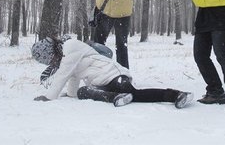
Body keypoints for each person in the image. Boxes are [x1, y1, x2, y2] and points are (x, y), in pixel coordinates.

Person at [31, 35, 193, 109]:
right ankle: (116, 98)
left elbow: (63, 74)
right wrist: (71, 94)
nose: (51, 63)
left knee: (133, 93)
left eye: (49, 59)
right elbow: (72, 77)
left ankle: (176, 95)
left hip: (114, 75)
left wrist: (49, 97)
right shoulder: (67, 58)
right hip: (102, 84)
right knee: (82, 91)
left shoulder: (70, 47)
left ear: (51, 52)